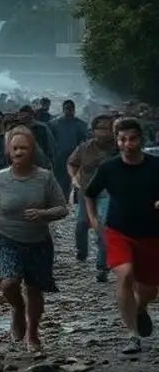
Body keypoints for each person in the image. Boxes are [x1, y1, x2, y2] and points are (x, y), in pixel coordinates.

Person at [0, 127, 68, 352]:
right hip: (7, 238)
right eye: (15, 148)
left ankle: (33, 334)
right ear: (8, 151)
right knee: (9, 283)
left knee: (34, 289)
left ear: (32, 151)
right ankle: (18, 309)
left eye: (24, 148)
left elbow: (62, 208)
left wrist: (43, 214)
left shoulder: (45, 177)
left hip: (38, 241)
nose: (19, 152)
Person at [85, 117, 159, 354]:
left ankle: (139, 308)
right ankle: (132, 335)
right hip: (118, 232)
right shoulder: (109, 168)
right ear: (117, 141)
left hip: (151, 234)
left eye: (133, 139)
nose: (128, 144)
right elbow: (90, 193)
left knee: (149, 290)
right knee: (125, 274)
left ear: (140, 140)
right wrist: (94, 219)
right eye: (123, 139)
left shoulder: (155, 165)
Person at [69, 113, 116, 282]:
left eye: (109, 128)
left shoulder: (119, 147)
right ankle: (81, 252)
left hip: (108, 193)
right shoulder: (85, 148)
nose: (105, 132)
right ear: (94, 130)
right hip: (86, 191)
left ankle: (102, 266)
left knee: (102, 226)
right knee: (82, 222)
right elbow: (72, 163)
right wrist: (74, 178)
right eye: (101, 128)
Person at [50, 99, 89, 197]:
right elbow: (50, 141)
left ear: (74, 109)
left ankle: (72, 198)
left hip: (74, 157)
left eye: (70, 109)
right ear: (63, 109)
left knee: (74, 179)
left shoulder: (80, 124)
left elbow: (84, 141)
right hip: (58, 157)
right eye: (66, 108)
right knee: (59, 180)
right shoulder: (54, 124)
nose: (68, 111)